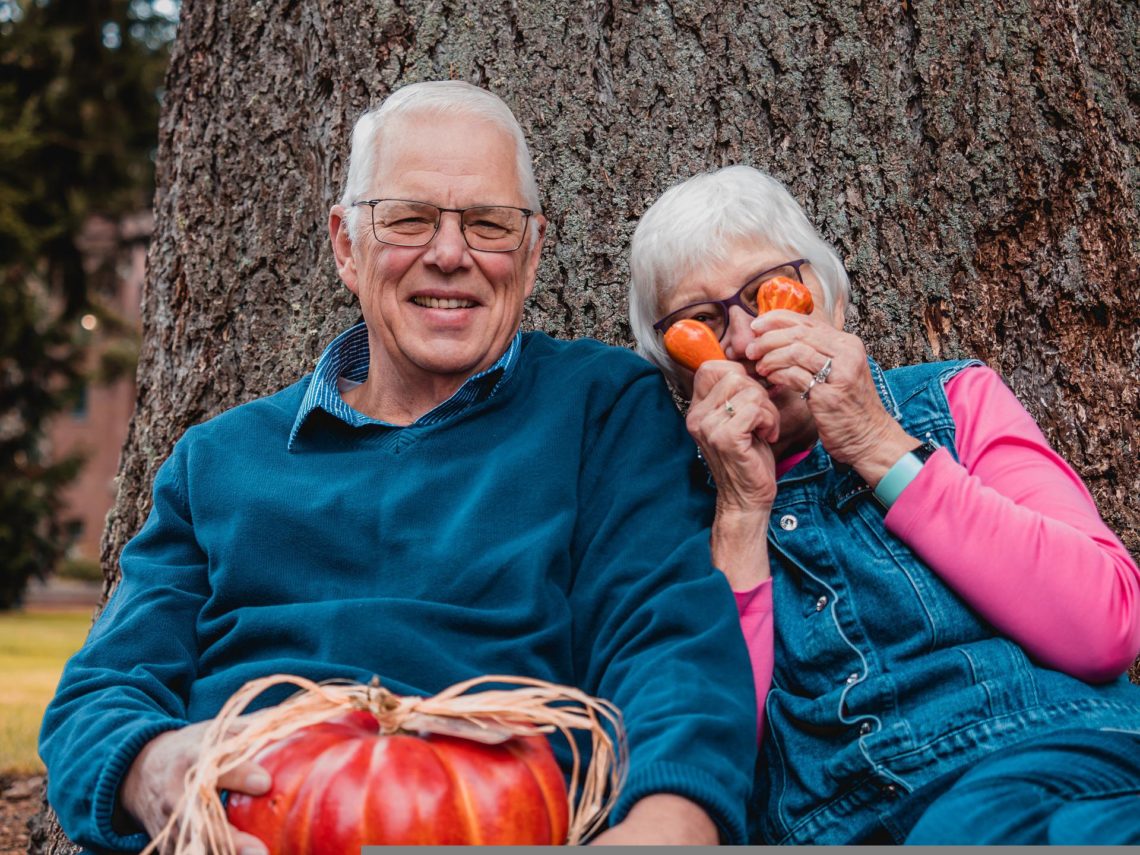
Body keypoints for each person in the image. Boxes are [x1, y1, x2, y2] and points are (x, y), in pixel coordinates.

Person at [40, 82, 757, 851]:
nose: (449, 254)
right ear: (347, 245)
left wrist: (665, 824)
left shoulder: (601, 410)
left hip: (494, 822)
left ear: (533, 250)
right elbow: (97, 696)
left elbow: (669, 642)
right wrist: (150, 769)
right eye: (410, 219)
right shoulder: (217, 460)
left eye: (488, 224)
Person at [627, 164, 1140, 845]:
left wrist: (878, 445)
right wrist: (742, 513)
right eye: (700, 323)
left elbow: (1103, 626)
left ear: (832, 299)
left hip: (1054, 759)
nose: (747, 341)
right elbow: (712, 754)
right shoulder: (677, 509)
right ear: (679, 377)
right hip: (837, 827)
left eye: (768, 293)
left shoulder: (956, 401)